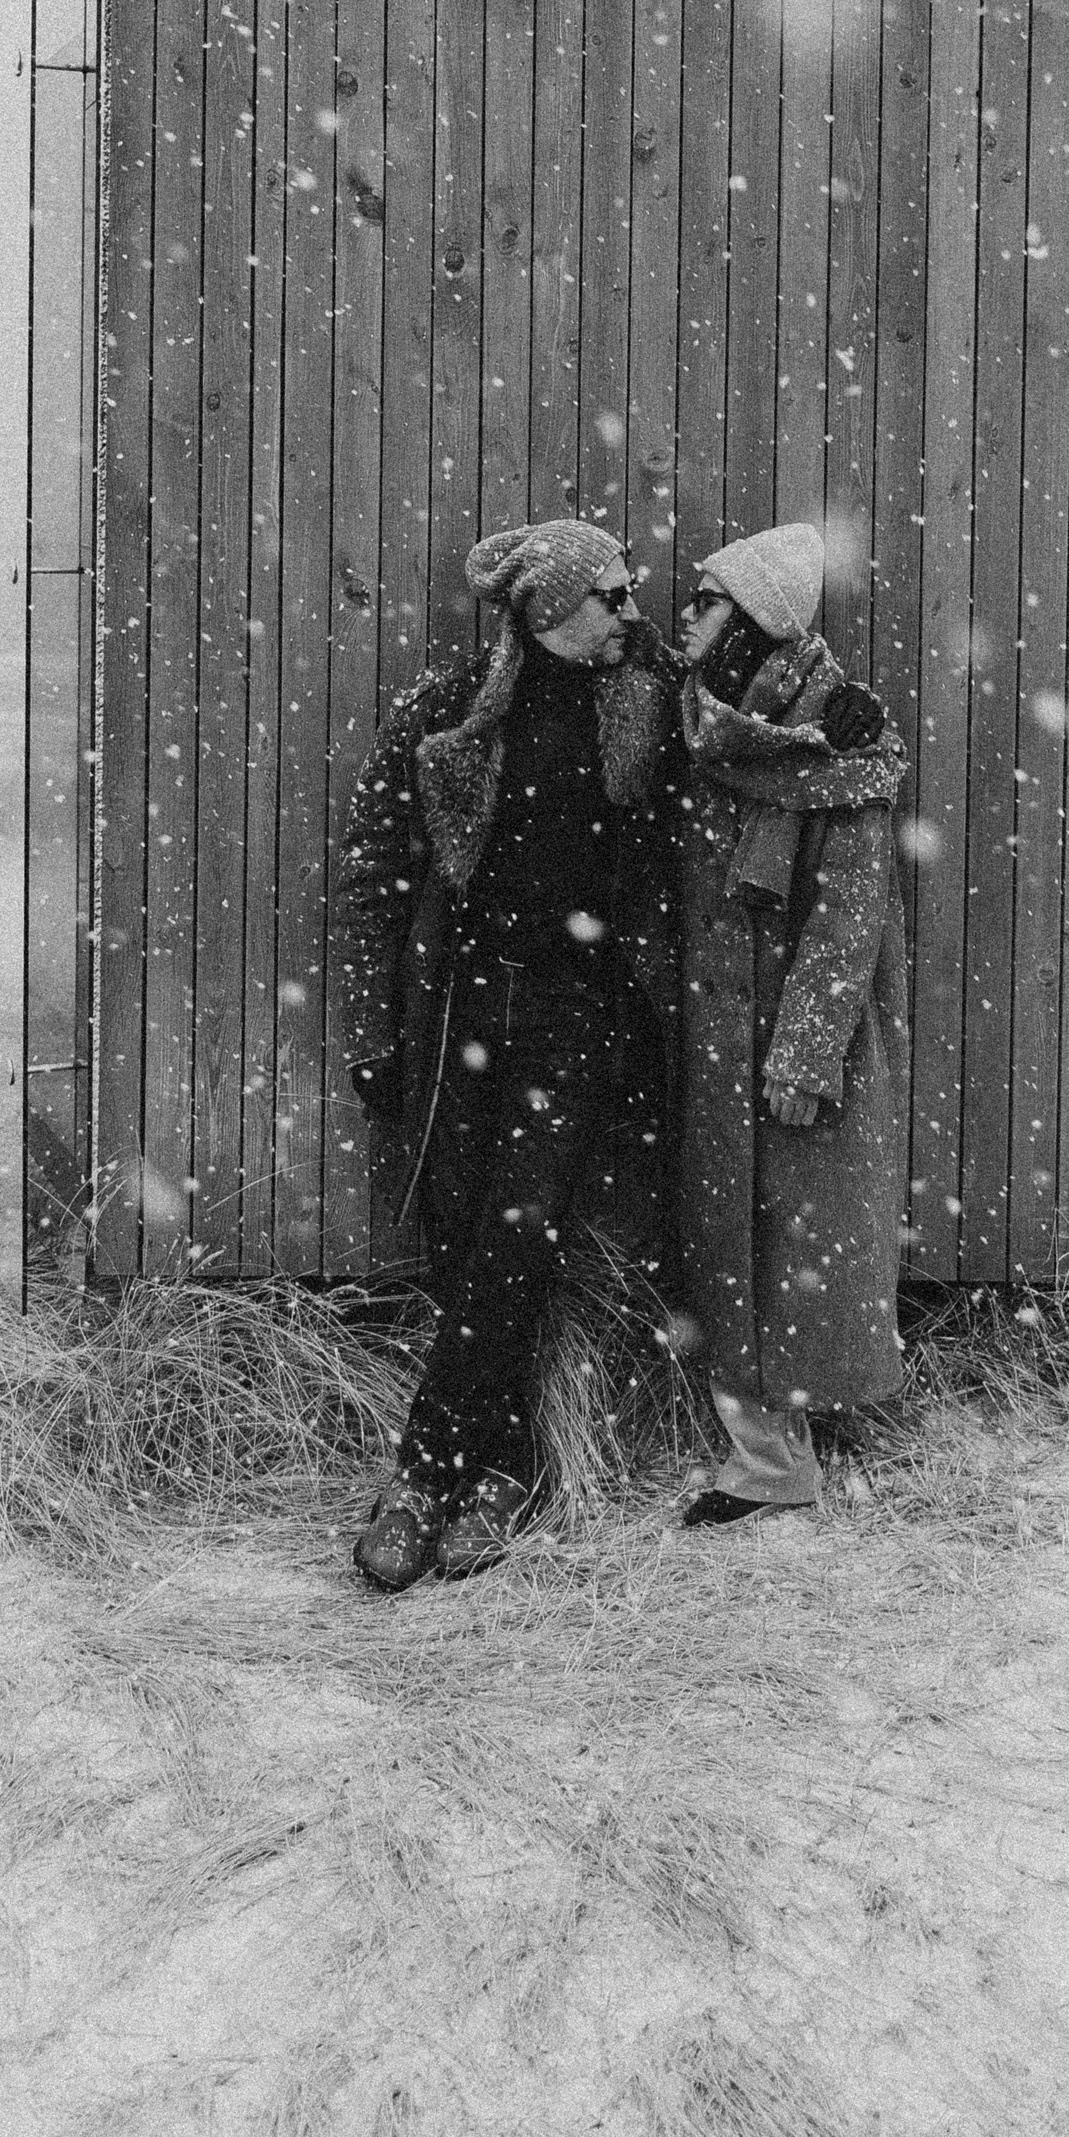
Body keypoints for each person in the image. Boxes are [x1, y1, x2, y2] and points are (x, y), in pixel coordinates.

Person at [335, 519, 683, 1591]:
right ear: (548, 612)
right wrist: (374, 1028)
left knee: (518, 1236)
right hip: (463, 1012)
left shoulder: (648, 704)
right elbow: (374, 877)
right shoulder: (445, 714)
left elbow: (747, 735)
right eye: (610, 596)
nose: (631, 610)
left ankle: (421, 1478)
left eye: (629, 591)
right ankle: (509, 1469)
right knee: (462, 1240)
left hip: (578, 1017)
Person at [674, 522, 911, 1522]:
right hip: (707, 1027)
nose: (686, 616)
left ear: (754, 623)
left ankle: (789, 1455)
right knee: (723, 1249)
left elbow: (851, 914)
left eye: (707, 602)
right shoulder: (700, 716)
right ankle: (765, 1459)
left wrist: (806, 1055)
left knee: (794, 1252)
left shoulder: (840, 740)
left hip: (797, 1037)